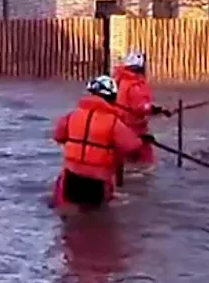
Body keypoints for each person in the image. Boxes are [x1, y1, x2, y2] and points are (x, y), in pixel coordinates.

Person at [51, 75, 145, 213]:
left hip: (72, 176)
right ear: (111, 97)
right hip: (97, 180)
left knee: (71, 217)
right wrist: (142, 140)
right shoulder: (113, 122)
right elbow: (133, 147)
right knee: (96, 219)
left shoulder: (71, 116)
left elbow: (58, 136)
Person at [112, 51, 171, 171]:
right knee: (145, 164)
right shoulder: (134, 84)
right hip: (134, 128)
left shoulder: (122, 81)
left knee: (124, 159)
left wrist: (156, 110)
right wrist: (154, 109)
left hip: (123, 125)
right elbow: (139, 107)